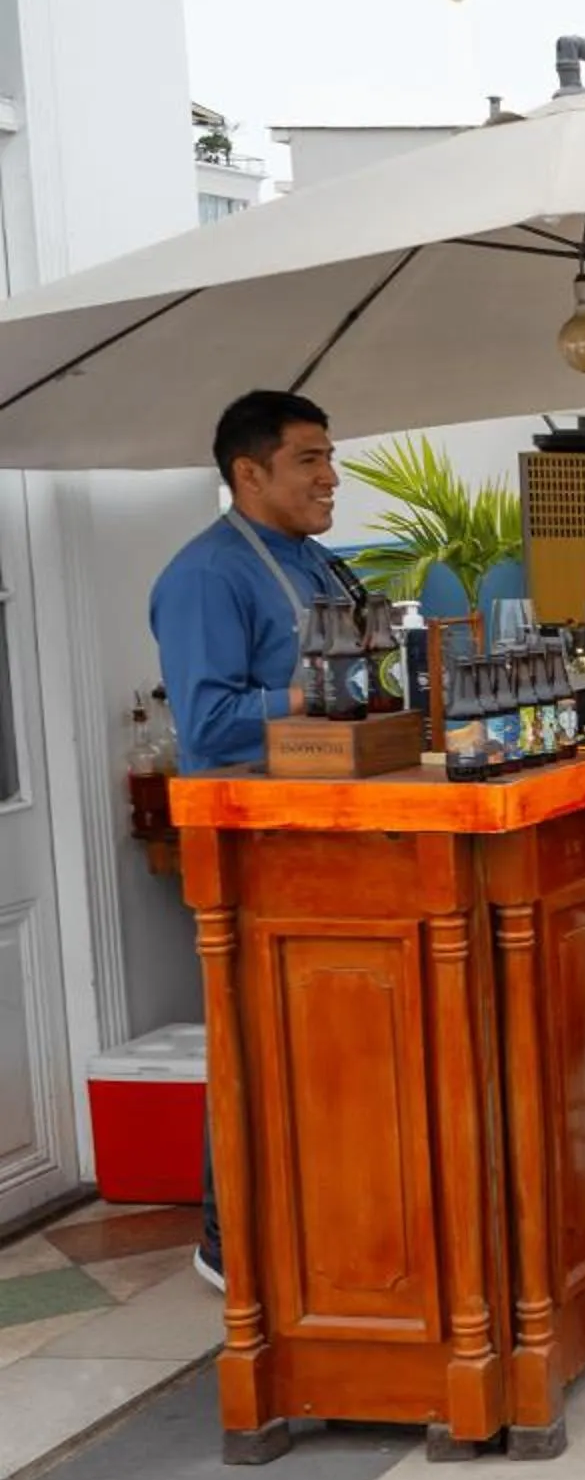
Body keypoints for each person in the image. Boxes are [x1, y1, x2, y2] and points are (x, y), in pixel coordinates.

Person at [149, 389, 360, 1292]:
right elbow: (209, 723)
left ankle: (329, 1224)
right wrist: (319, 698)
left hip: (334, 835)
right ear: (248, 472)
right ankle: (226, 1240)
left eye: (329, 456)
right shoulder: (206, 577)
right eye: (309, 459)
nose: (330, 475)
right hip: (252, 847)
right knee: (251, 1040)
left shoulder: (323, 567)